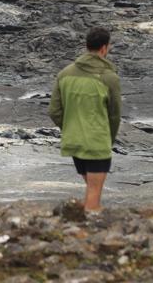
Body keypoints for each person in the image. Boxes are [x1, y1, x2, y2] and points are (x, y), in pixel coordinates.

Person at [48, 26, 121, 213]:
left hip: (74, 142)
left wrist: (71, 128)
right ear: (105, 48)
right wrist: (108, 140)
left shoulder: (64, 73)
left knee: (90, 187)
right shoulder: (109, 77)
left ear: (86, 46)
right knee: (94, 195)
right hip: (97, 143)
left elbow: (54, 111)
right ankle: (88, 233)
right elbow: (114, 115)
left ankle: (81, 231)